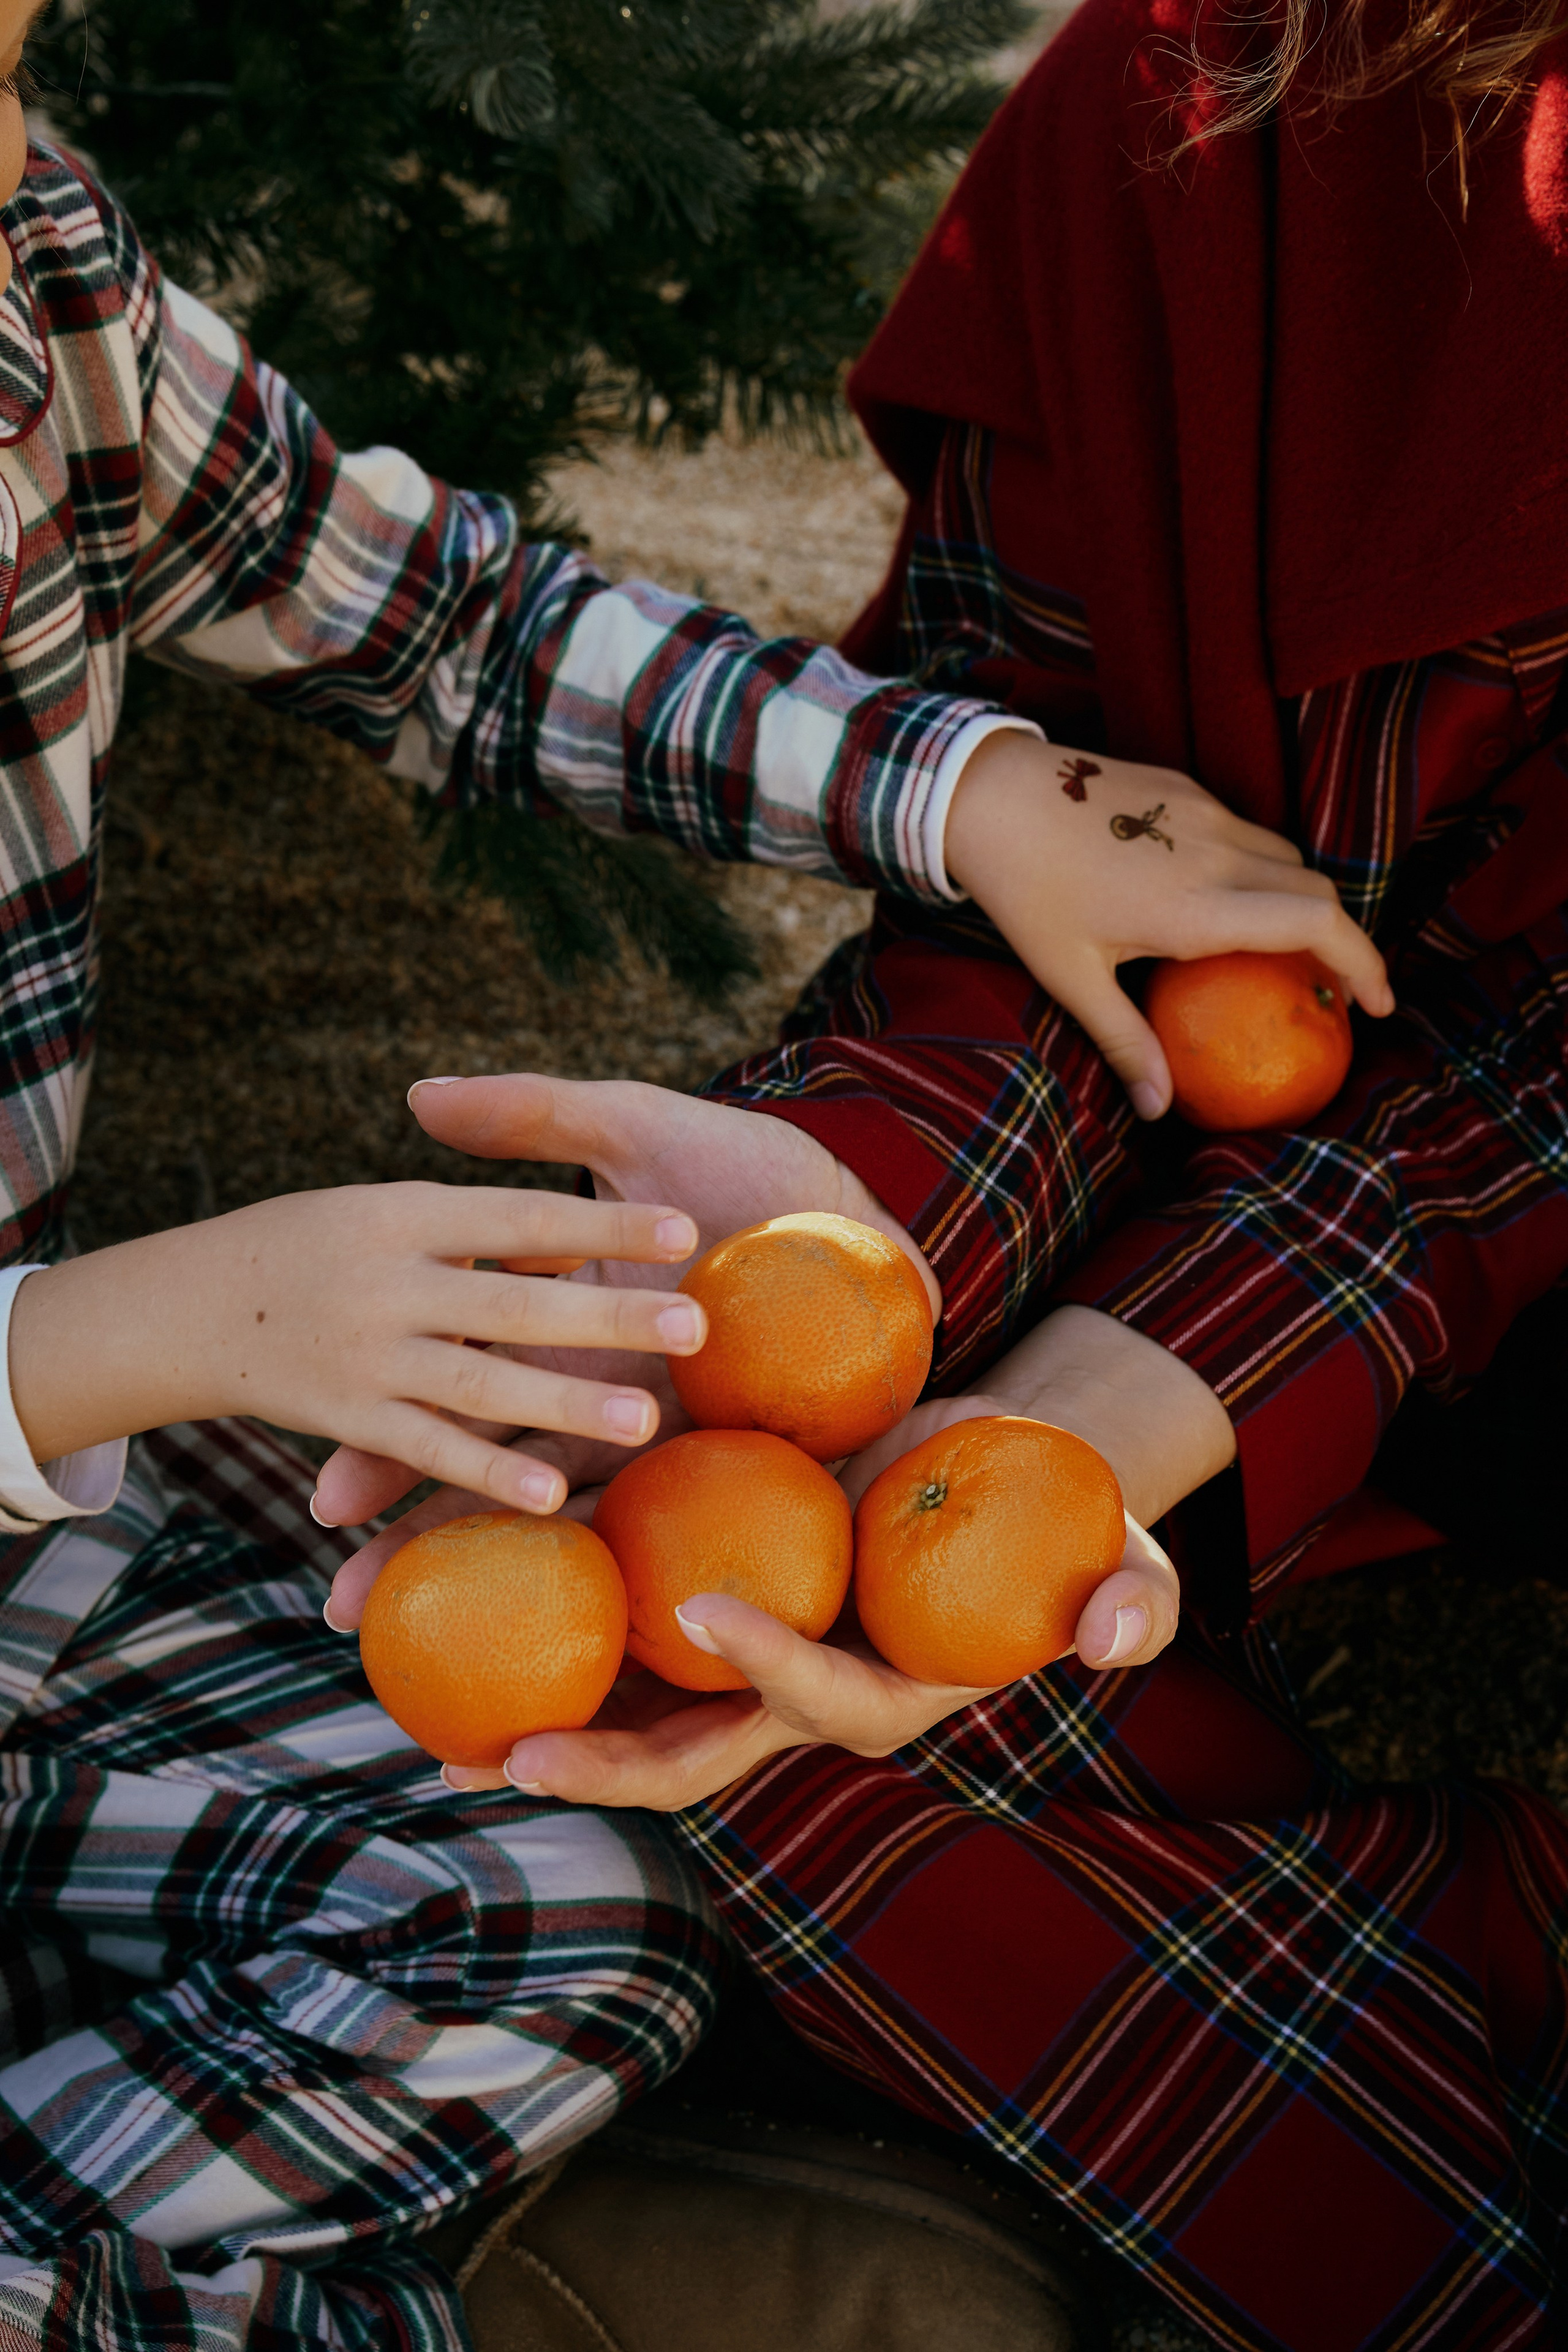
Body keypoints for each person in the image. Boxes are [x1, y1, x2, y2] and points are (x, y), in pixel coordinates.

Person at [0, 0, 1389, 2342]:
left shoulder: (35, 287)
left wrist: (961, 793)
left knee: (575, 1899)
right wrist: (118, 1333)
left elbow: (447, 617)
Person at [323, 0, 1568, 2342]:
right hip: (1203, 1131)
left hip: (1516, 1252)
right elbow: (1058, 869)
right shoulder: (1213, 98)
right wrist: (857, 1214)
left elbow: (1528, 1091)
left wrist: (1178, 1380)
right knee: (738, 1648)